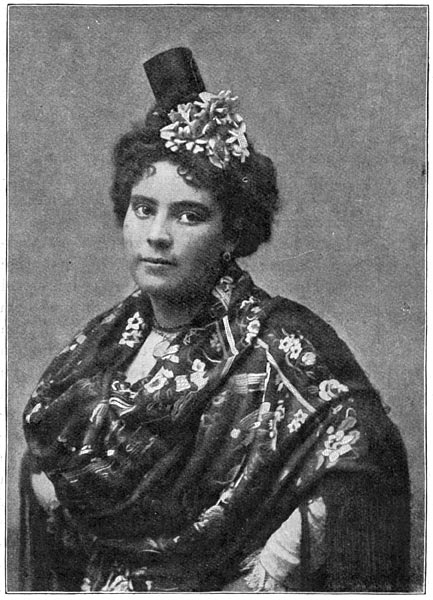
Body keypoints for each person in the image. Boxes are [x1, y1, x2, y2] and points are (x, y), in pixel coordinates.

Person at [20, 47, 410, 592]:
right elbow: (46, 456)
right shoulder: (101, 343)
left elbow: (365, 454)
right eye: (143, 208)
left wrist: (276, 563)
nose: (158, 235)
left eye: (189, 215)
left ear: (231, 233)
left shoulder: (282, 343)